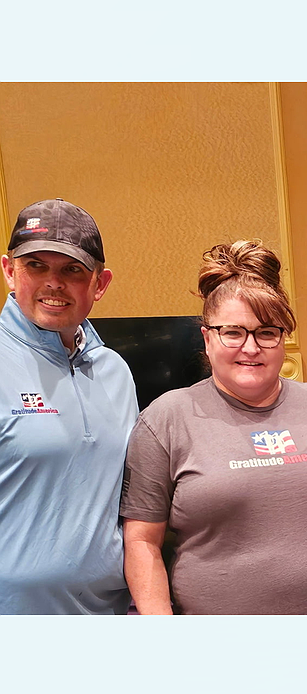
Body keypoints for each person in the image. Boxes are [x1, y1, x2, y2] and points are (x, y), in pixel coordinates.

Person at [119, 240, 307, 614]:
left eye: (267, 332)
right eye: (233, 332)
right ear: (207, 336)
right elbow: (141, 542)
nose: (251, 348)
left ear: (284, 338)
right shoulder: (164, 420)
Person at [0, 199, 137, 614]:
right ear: (9, 271)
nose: (53, 283)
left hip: (110, 619)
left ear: (100, 283)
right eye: (36, 266)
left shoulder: (116, 372)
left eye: (72, 270)